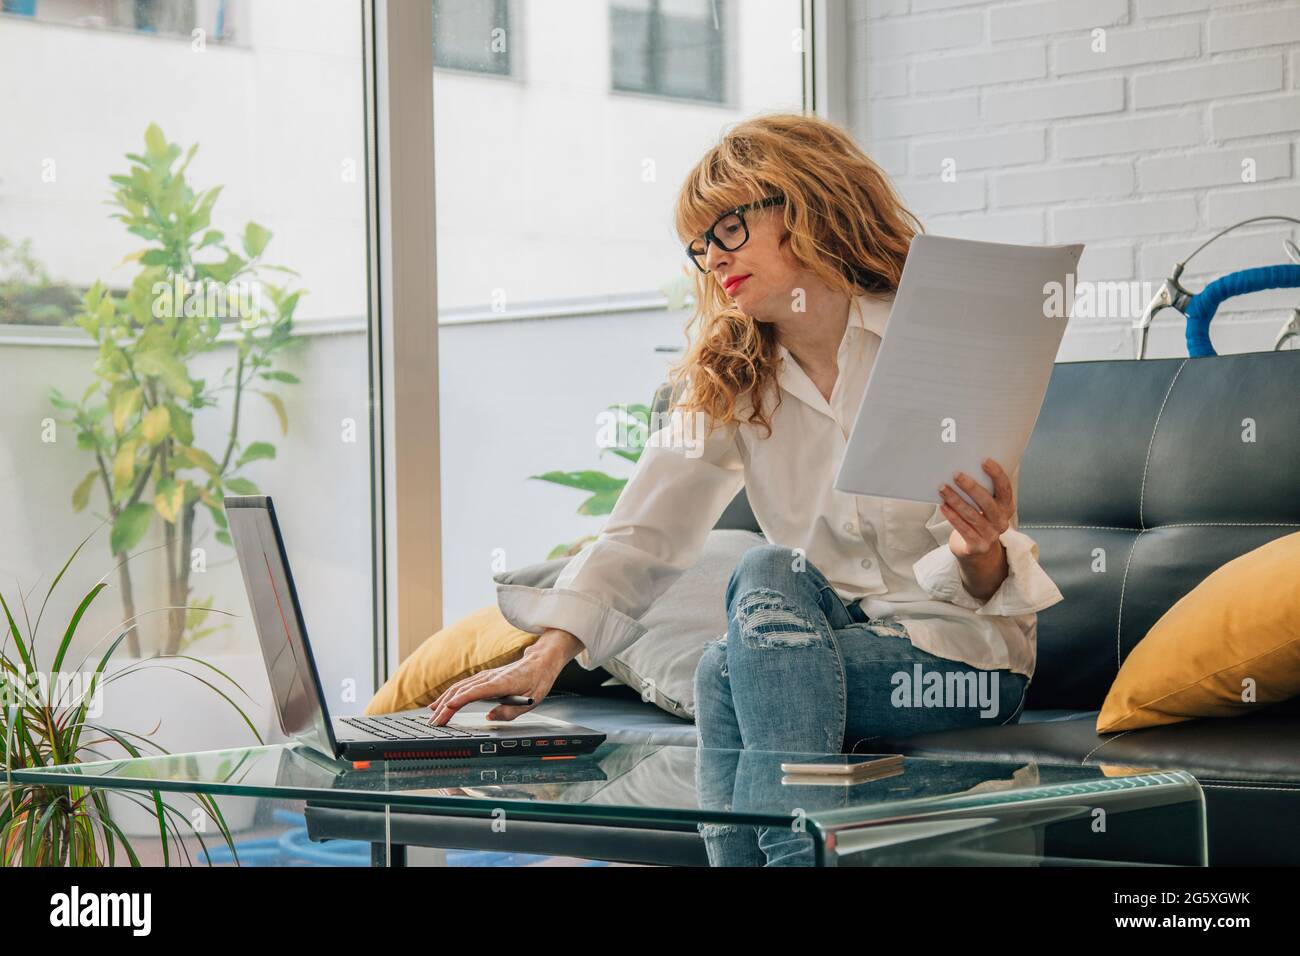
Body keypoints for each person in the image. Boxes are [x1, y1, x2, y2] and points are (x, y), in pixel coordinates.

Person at [427, 111, 1065, 866]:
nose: (712, 259)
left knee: (723, 670)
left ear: (803, 204)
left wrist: (979, 547)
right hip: (819, 638)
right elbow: (644, 531)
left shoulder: (936, 343)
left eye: (728, 229)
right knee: (767, 570)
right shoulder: (731, 379)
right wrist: (547, 655)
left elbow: (983, 580)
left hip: (964, 661)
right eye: (700, 246)